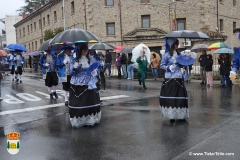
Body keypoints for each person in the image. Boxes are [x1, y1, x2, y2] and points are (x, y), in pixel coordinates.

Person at [68, 43, 101, 128]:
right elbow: (70, 73)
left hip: (89, 82)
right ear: (80, 51)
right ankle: (80, 121)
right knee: (80, 102)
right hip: (78, 83)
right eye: (84, 50)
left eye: (86, 50)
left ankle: (90, 120)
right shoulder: (74, 60)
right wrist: (74, 68)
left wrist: (95, 71)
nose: (86, 51)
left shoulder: (91, 59)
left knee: (90, 101)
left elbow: (95, 70)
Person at [160, 37, 188, 123]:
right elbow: (161, 65)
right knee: (171, 98)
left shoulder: (179, 55)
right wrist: (168, 68)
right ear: (172, 45)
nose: (177, 45)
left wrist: (184, 65)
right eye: (176, 44)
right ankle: (172, 116)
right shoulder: (166, 55)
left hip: (178, 78)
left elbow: (182, 65)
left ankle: (181, 116)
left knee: (179, 97)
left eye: (178, 44)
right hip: (170, 78)